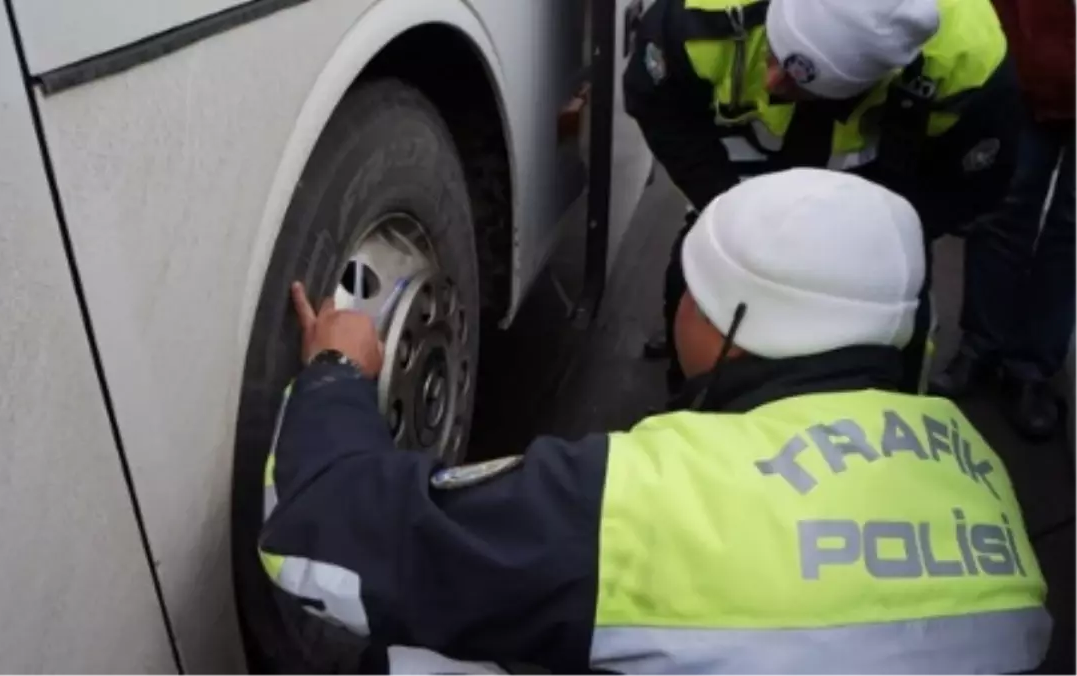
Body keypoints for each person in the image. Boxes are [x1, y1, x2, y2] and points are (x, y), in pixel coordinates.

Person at [258, 169, 1051, 675]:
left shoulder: (651, 502)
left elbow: (315, 536)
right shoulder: (979, 473)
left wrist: (335, 374)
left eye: (689, 293)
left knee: (414, 663)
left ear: (729, 325)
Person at [623, 0, 1020, 400]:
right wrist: (729, 204)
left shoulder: (973, 63)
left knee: (898, 318)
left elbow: (972, 185)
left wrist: (874, 243)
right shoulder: (696, 15)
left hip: (881, 180)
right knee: (696, 268)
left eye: (800, 79)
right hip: (740, 153)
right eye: (777, 54)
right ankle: (692, 390)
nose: (772, 82)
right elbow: (657, 105)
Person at [931, 0, 1075, 441]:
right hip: (1025, 63)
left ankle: (1030, 368)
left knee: (1071, 228)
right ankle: (980, 345)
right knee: (1001, 205)